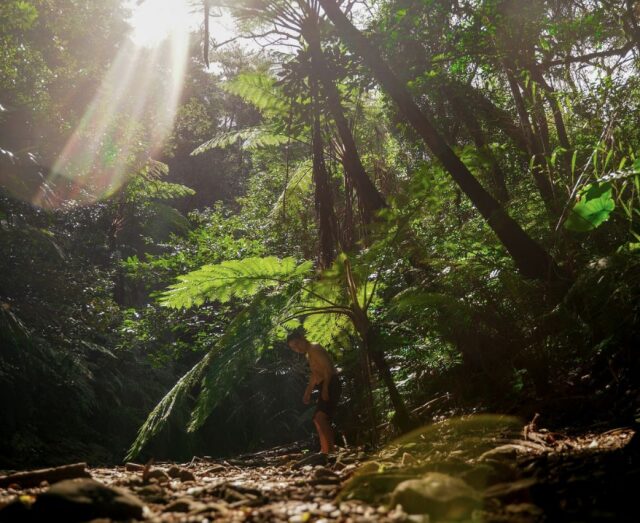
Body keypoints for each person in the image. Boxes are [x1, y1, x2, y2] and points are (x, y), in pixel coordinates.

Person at [287, 330, 341, 458]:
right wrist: (308, 392)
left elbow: (328, 369)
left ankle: (331, 452)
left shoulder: (315, 348)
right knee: (317, 419)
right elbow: (315, 374)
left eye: (297, 344)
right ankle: (325, 450)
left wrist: (326, 388)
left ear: (302, 337)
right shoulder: (309, 354)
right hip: (326, 385)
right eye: (293, 348)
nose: (297, 349)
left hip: (331, 383)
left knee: (321, 418)